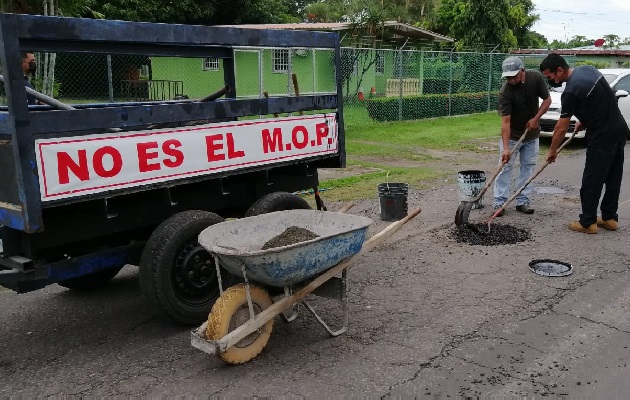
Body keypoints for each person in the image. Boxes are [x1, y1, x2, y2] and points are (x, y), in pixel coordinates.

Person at [540, 53, 628, 234]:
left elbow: (560, 129)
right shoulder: (588, 70)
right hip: (619, 131)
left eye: (550, 77)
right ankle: (609, 218)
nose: (551, 81)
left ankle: (588, 222)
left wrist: (552, 151)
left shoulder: (570, 91)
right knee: (613, 178)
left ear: (559, 70)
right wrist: (585, 121)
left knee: (592, 181)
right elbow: (600, 100)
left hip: (602, 138)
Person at [493, 56, 551, 216]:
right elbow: (505, 122)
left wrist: (536, 118)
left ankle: (522, 201)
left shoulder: (535, 78)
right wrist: (505, 148)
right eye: (508, 77)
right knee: (505, 168)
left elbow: (547, 100)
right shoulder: (505, 92)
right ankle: (499, 203)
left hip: (531, 135)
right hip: (512, 136)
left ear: (523, 71)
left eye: (514, 76)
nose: (511, 80)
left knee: (528, 168)